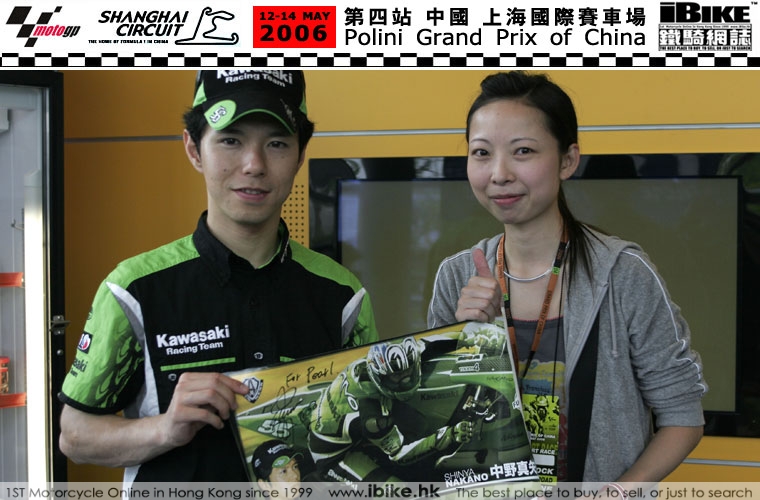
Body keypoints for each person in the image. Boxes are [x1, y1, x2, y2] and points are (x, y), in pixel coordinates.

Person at [57, 70, 379, 483]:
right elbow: (75, 435)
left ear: (300, 155)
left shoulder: (344, 295)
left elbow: (368, 425)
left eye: (277, 143)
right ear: (194, 149)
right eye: (231, 140)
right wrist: (165, 428)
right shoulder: (134, 289)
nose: (254, 165)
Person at [427, 71, 707, 484]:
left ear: (567, 160)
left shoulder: (623, 274)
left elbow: (683, 417)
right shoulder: (457, 275)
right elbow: (436, 417)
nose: (499, 173)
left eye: (523, 151)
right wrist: (466, 342)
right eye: (481, 153)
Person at [307, 335, 475, 483]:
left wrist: (471, 338)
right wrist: (449, 435)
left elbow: (429, 343)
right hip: (334, 456)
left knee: (419, 424)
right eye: (397, 376)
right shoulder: (372, 415)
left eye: (409, 370)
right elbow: (400, 455)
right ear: (380, 377)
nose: (406, 381)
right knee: (398, 492)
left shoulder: (382, 363)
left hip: (348, 426)